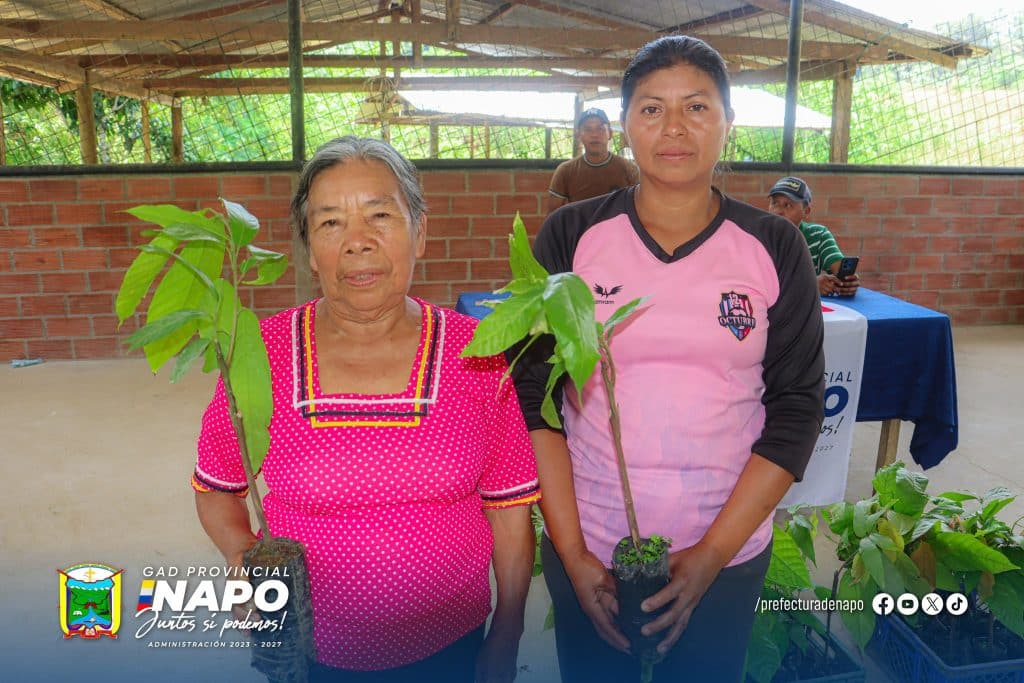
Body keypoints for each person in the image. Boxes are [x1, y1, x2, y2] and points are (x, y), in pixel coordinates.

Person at [514, 37, 825, 683]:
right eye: (652, 109)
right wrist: (571, 551)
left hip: (727, 545)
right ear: (625, 126)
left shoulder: (774, 244)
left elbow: (796, 407)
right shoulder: (571, 235)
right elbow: (535, 400)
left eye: (697, 107)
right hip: (592, 546)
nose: (674, 127)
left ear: (728, 123)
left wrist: (712, 555)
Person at [192, 136, 539, 683]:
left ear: (419, 233)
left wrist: (508, 630)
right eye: (330, 223)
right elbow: (217, 485)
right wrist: (242, 557)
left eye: (380, 215)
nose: (358, 242)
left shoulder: (475, 353)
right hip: (309, 648)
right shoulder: (262, 353)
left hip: (454, 644)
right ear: (311, 250)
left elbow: (508, 508)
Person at [768, 176, 860, 297]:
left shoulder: (818, 235)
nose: (778, 211)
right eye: (774, 203)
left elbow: (839, 269)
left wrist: (847, 283)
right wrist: (809, 285)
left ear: (806, 211)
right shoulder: (758, 236)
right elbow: (760, 282)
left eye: (788, 205)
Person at [547, 107, 639, 211]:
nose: (594, 135)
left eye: (600, 129)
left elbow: (640, 208)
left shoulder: (628, 169)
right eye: (587, 129)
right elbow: (553, 214)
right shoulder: (565, 171)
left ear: (610, 133)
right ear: (578, 135)